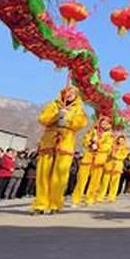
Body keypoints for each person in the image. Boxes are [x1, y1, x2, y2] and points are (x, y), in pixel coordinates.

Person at [32, 86, 88, 214]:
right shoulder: (53, 105)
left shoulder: (79, 108)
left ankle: (55, 203)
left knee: (60, 176)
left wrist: (68, 120)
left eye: (72, 93)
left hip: (66, 143)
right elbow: (42, 119)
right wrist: (56, 115)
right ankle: (41, 204)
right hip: (49, 142)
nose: (69, 95)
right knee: (43, 174)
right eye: (67, 92)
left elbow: (81, 123)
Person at [72, 115, 113, 206]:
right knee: (81, 179)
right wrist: (90, 142)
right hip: (88, 157)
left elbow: (108, 147)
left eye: (106, 123)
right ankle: (76, 199)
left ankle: (90, 198)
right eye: (102, 122)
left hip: (99, 160)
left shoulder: (110, 135)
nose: (104, 124)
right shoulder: (92, 131)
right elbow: (85, 140)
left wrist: (98, 144)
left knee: (95, 181)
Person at [99, 134, 129, 202]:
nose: (120, 141)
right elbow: (108, 153)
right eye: (119, 139)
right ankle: (100, 196)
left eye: (122, 140)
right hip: (109, 164)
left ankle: (111, 197)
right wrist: (111, 153)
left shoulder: (125, 148)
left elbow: (124, 156)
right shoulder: (112, 146)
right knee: (104, 182)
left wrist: (117, 156)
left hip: (117, 165)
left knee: (114, 182)